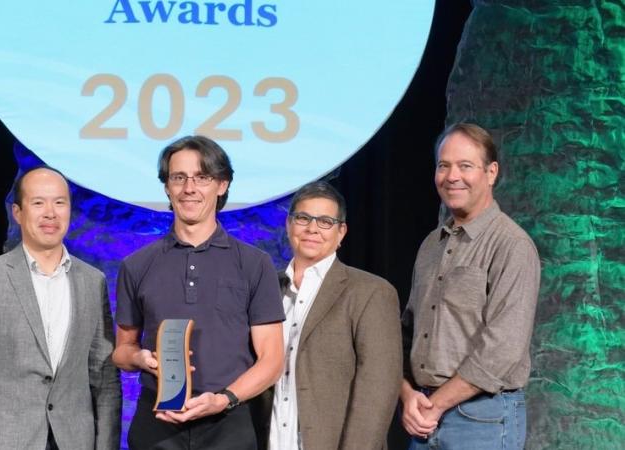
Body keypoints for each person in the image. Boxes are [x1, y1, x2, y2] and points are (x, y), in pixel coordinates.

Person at [113, 135, 285, 449]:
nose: (189, 188)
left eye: (202, 177)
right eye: (179, 178)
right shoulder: (136, 265)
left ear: (222, 185)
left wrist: (225, 399)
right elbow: (121, 351)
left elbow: (272, 359)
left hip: (228, 423)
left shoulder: (254, 264)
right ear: (167, 186)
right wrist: (140, 357)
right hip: (157, 424)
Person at [0, 166, 121, 450]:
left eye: (59, 202)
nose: (50, 213)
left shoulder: (93, 281)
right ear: (17, 212)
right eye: (38, 203)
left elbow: (106, 382)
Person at [400, 123, 540, 449]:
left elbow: (502, 349)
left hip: (483, 420)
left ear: (491, 173)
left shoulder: (511, 244)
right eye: (443, 165)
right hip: (423, 415)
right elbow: (407, 332)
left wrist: (435, 405)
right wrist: (408, 396)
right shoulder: (430, 245)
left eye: (465, 166)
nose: (452, 176)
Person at [254, 181, 402, 449]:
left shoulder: (371, 292)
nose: (312, 229)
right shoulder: (265, 290)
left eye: (325, 221)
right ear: (289, 225)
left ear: (341, 232)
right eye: (303, 218)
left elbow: (377, 392)